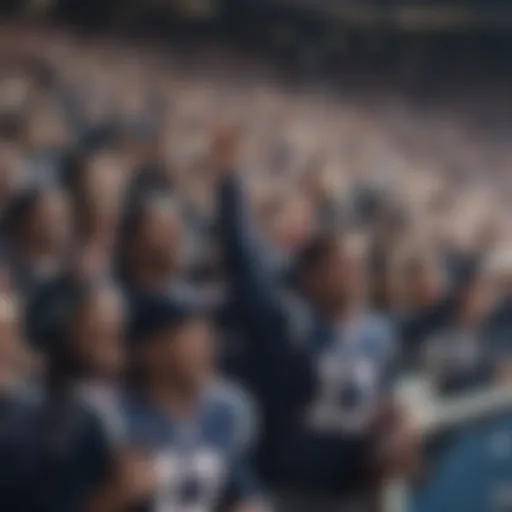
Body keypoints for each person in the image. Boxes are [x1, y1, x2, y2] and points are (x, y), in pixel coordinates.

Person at [213, 126, 419, 510]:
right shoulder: (289, 323)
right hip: (284, 489)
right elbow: (244, 263)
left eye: (359, 266)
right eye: (341, 267)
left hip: (350, 492)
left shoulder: (381, 335)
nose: (353, 276)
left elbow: (386, 401)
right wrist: (229, 181)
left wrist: (396, 425)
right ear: (310, 277)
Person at [91, 293, 268, 511]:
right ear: (149, 351)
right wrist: (116, 495)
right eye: (190, 337)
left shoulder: (224, 412)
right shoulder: (112, 418)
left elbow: (247, 495)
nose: (205, 347)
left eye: (206, 335)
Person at [3, 274, 125, 512]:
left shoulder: (128, 400)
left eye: (116, 337)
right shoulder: (26, 420)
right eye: (99, 336)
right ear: (60, 331)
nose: (114, 355)